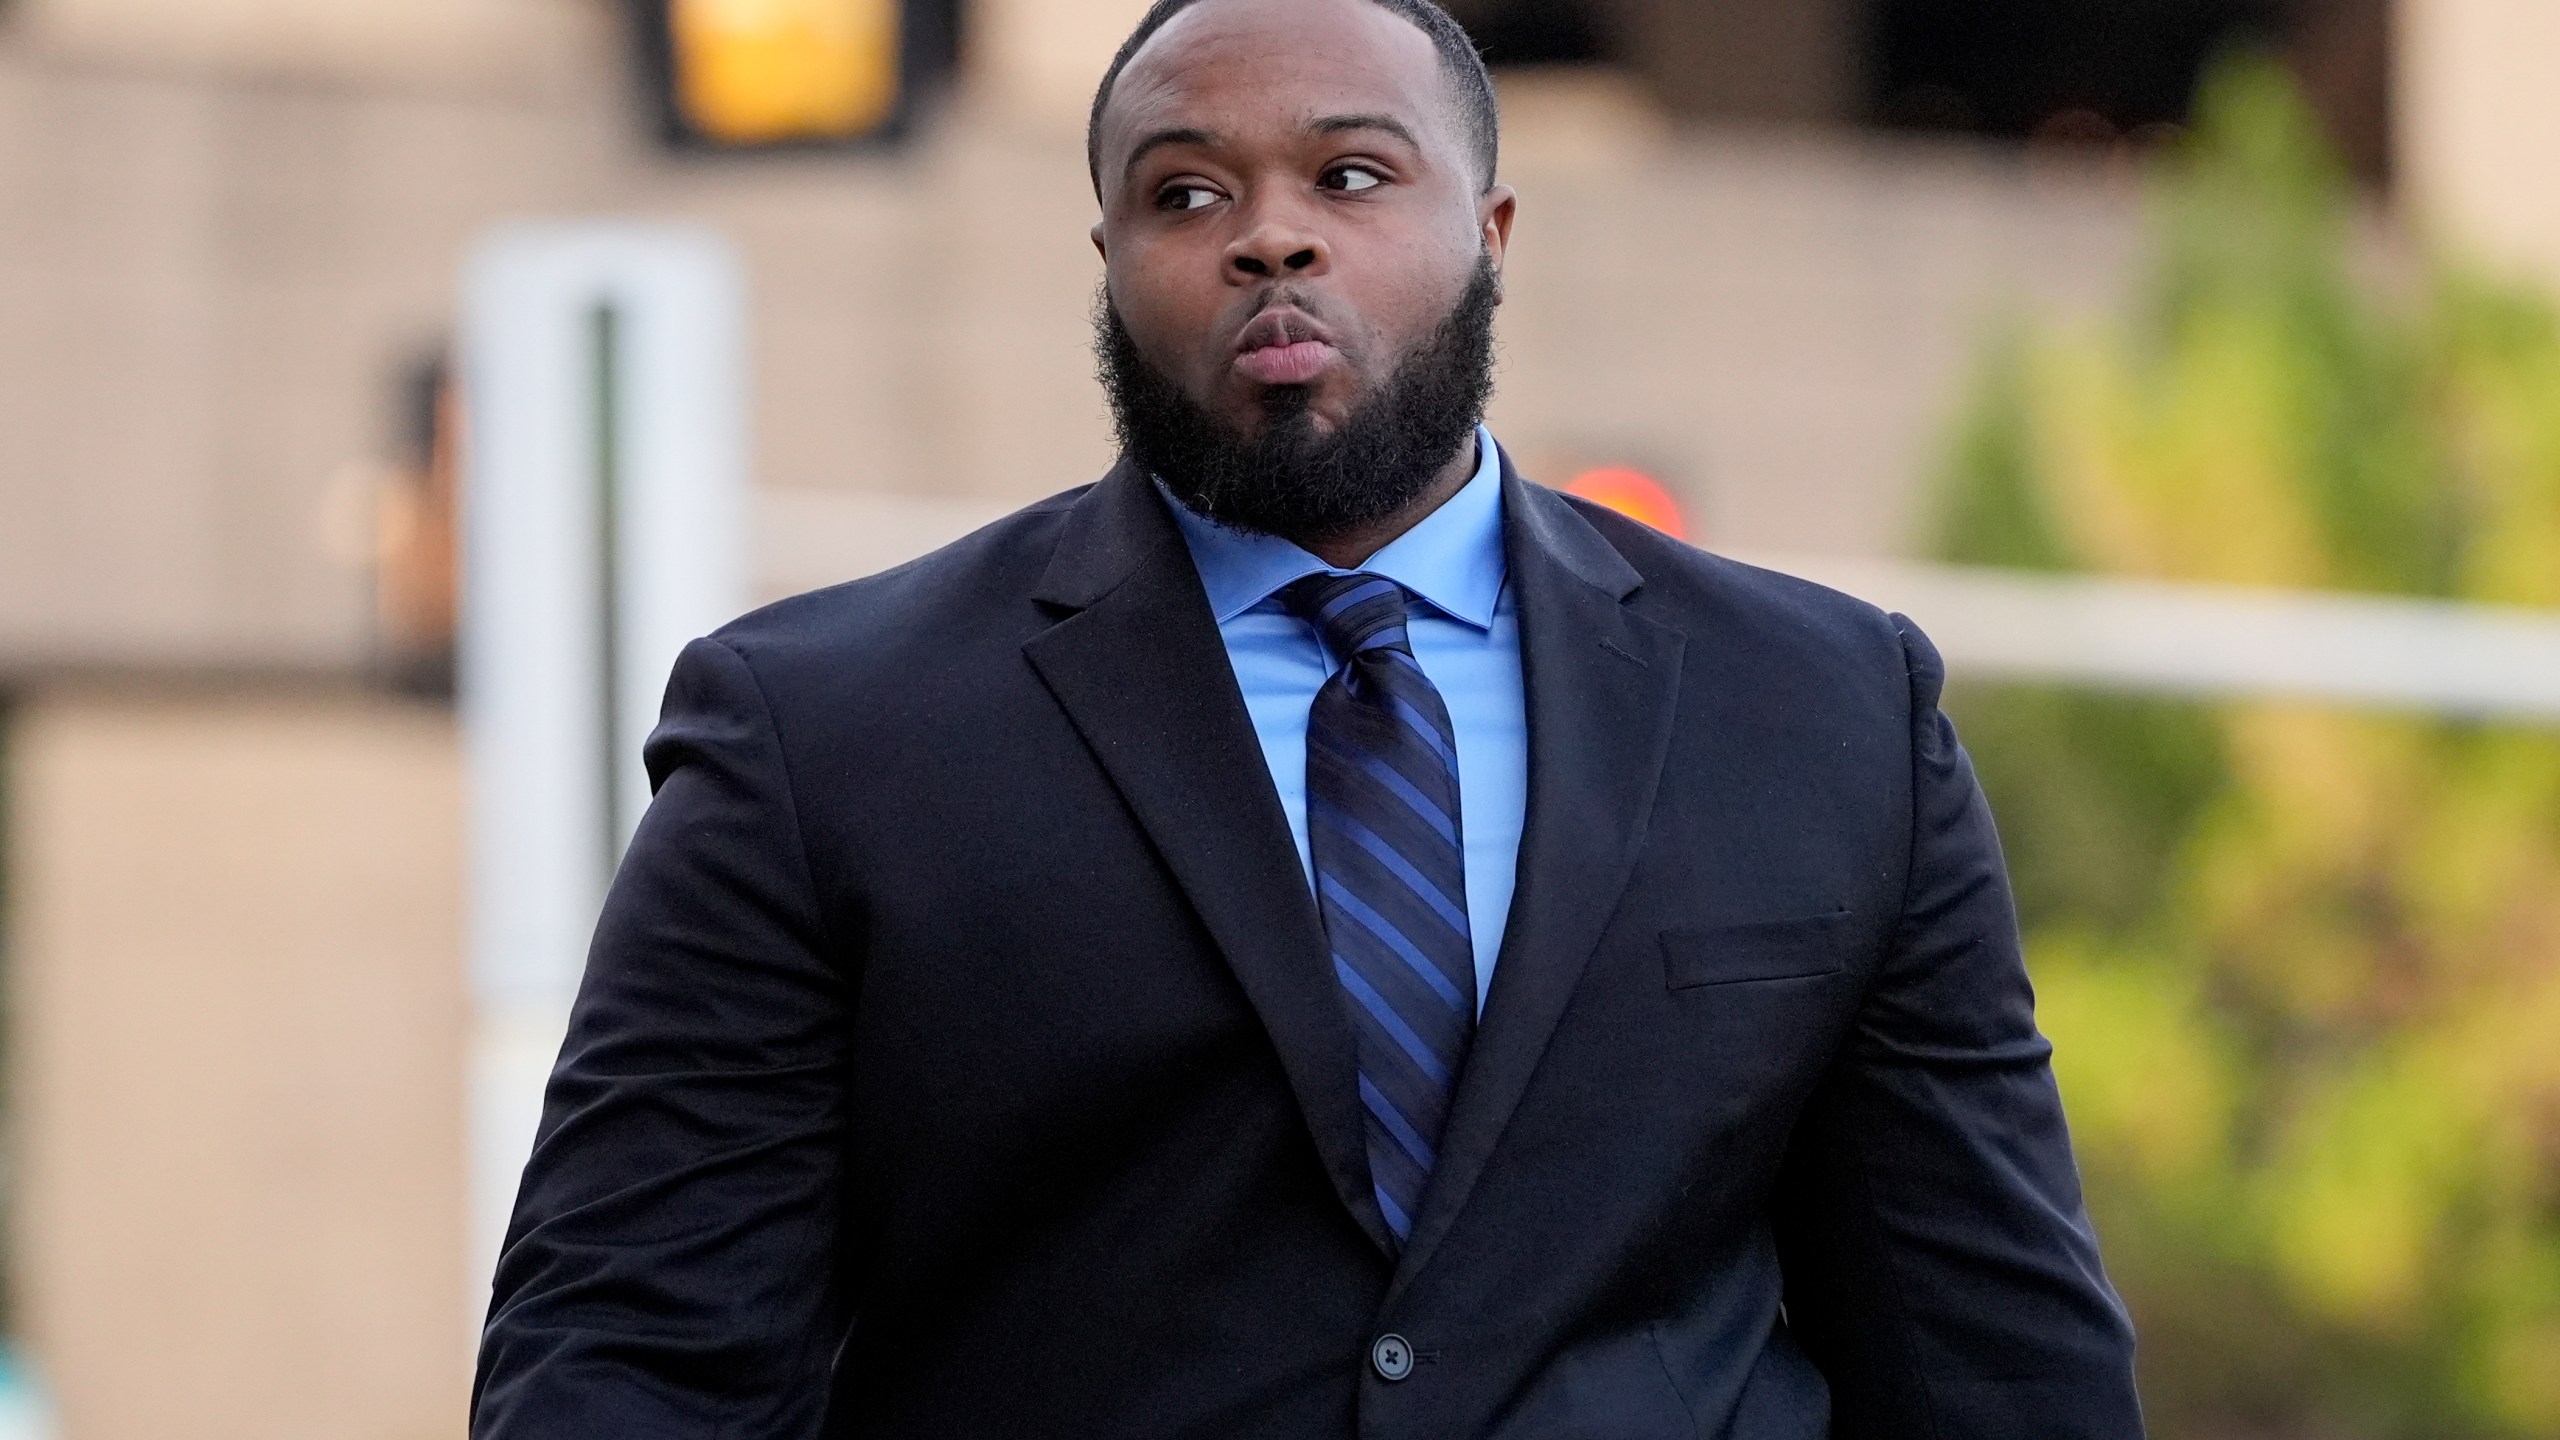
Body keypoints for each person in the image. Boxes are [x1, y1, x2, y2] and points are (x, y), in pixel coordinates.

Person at [470, 0, 2145, 1434]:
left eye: (1351, 175)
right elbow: (631, 1356)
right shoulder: (819, 736)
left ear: (1489, 234)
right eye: (1185, 192)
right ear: (1112, 262)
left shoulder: (1829, 708)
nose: (1270, 236)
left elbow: (1996, 1351)